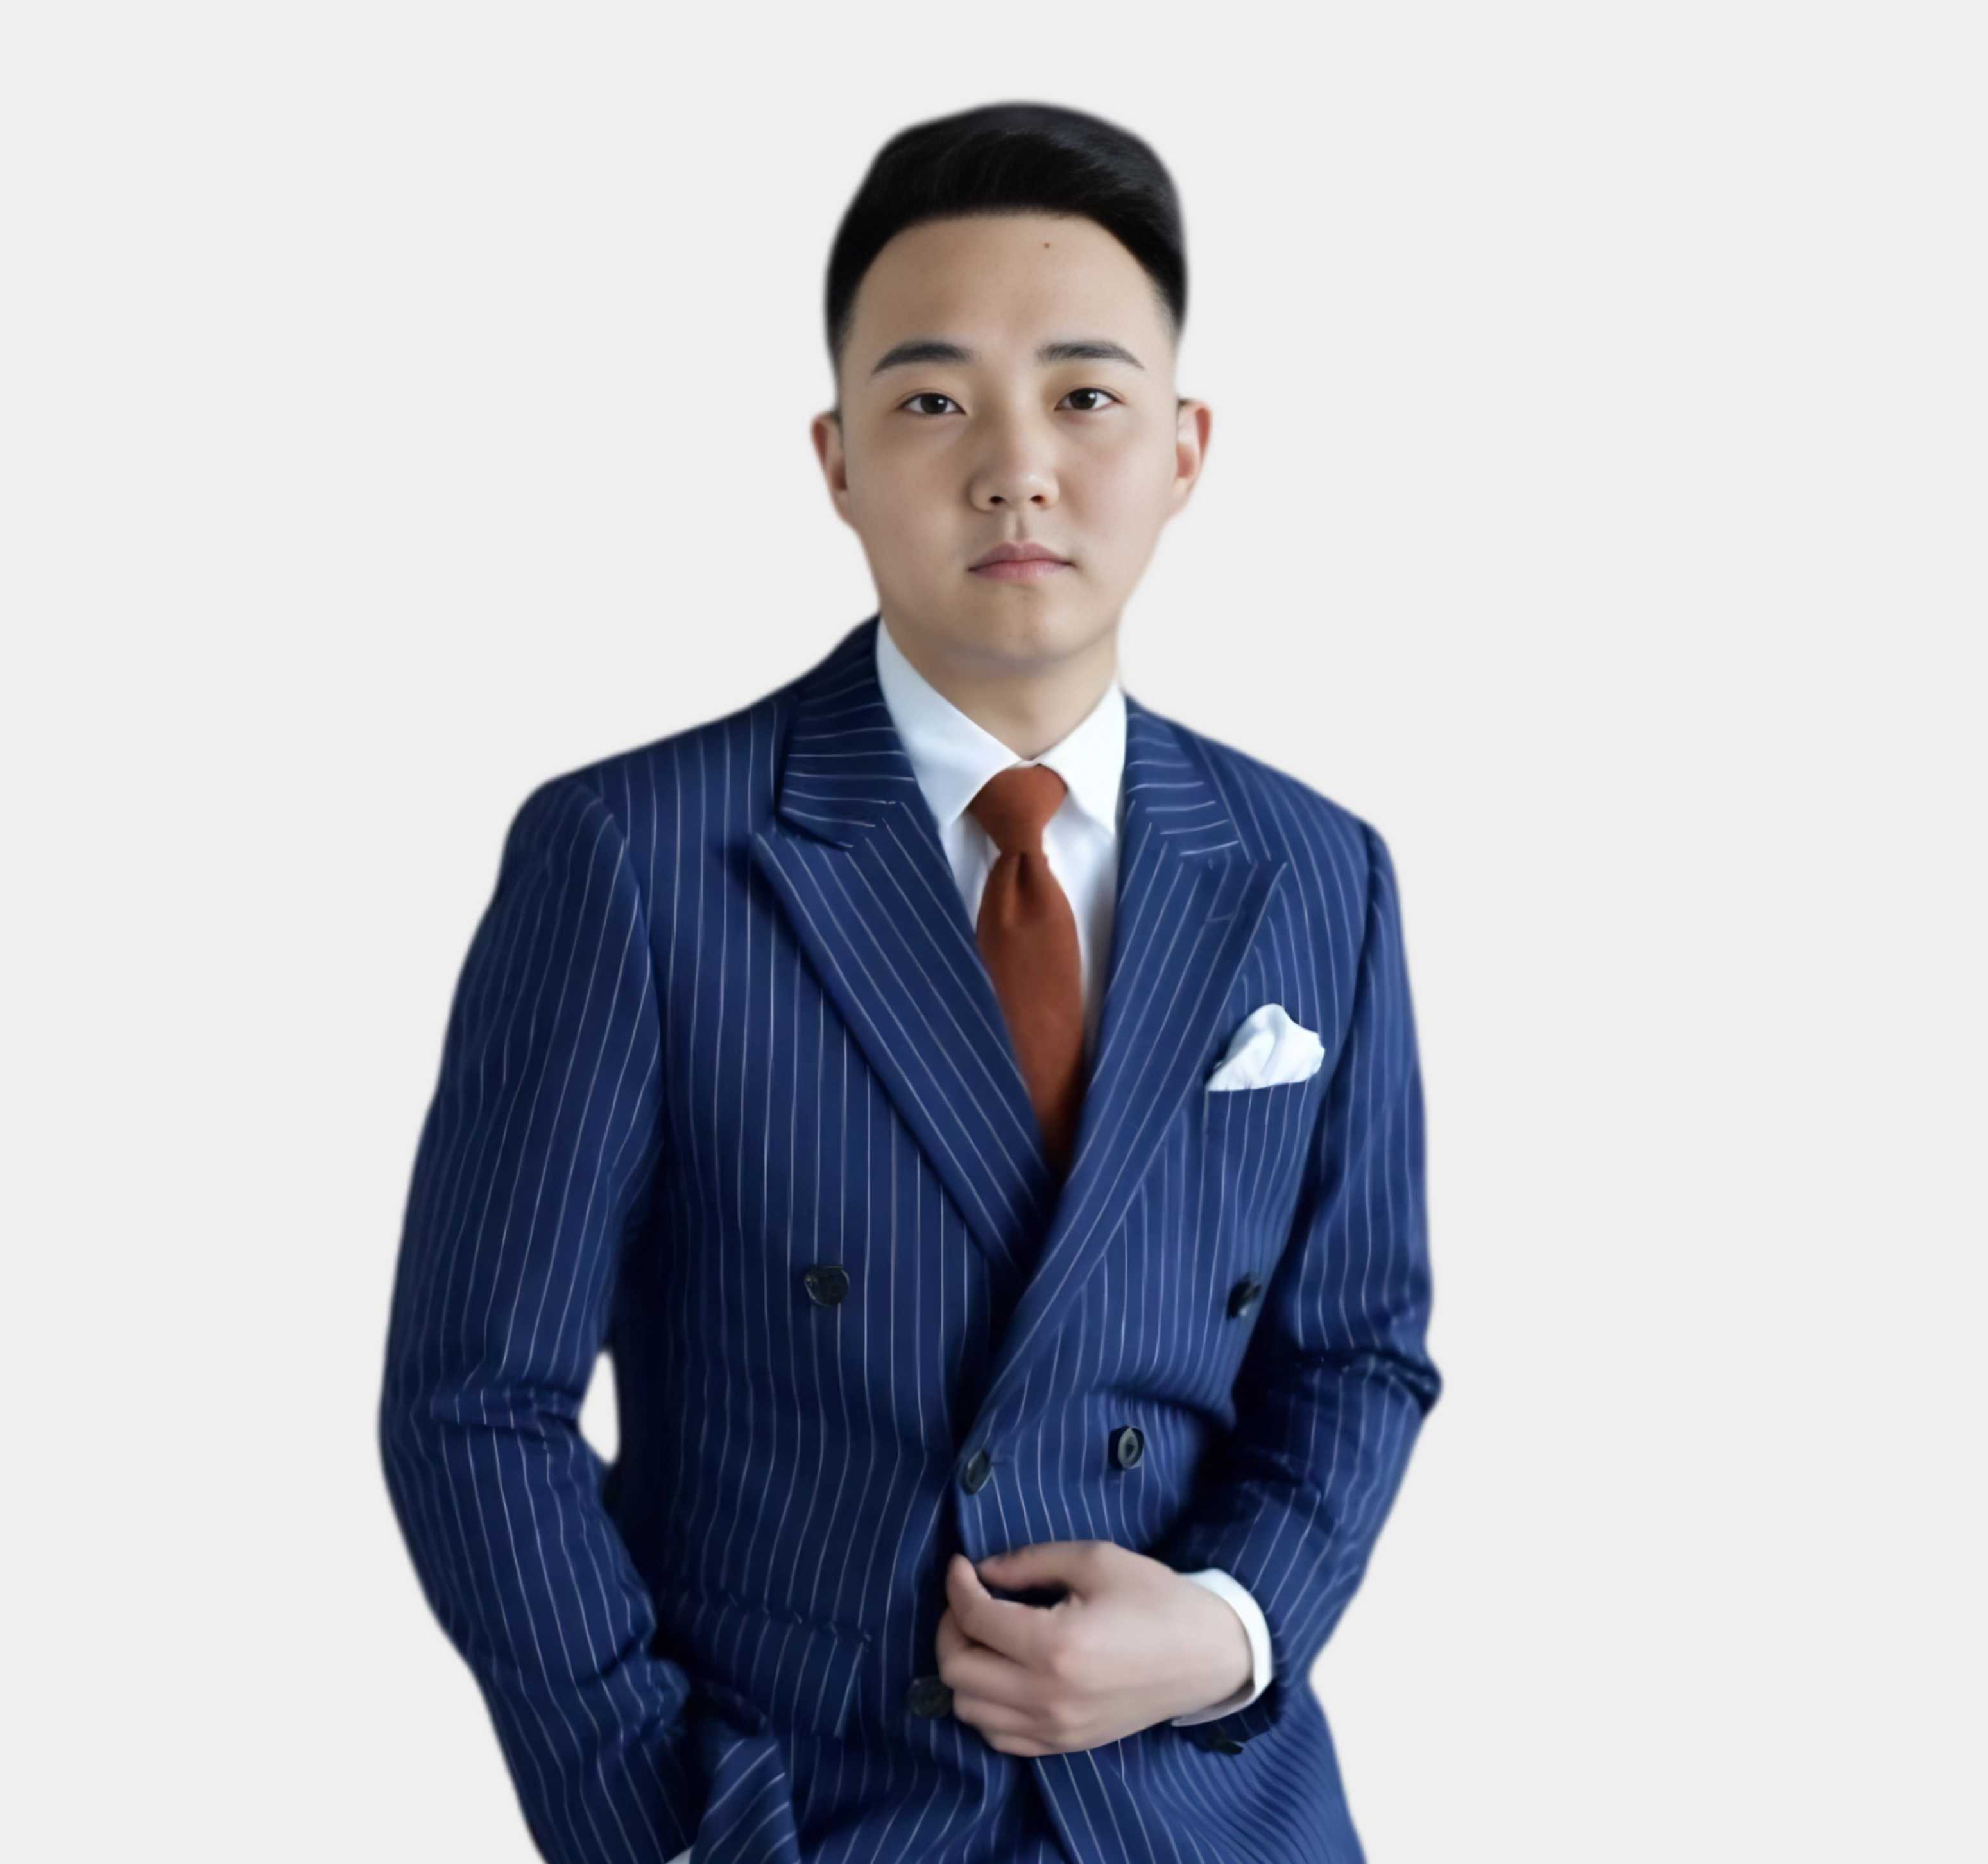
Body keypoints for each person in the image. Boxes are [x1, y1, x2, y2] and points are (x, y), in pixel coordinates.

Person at [377, 99, 1441, 1864]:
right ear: (837, 460)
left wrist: (1228, 1630)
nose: (1016, 466)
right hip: (811, 1817)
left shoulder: (1316, 870)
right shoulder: (637, 858)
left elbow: (1356, 1351)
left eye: (1085, 396)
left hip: (1218, 1821)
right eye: (934, 401)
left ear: (1184, 449)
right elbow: (476, 1403)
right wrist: (662, 1823)